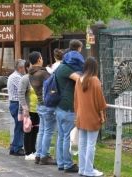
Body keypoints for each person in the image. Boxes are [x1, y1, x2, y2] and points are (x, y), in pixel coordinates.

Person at [74, 57, 107, 177]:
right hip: (92, 116)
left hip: (81, 115)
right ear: (95, 67)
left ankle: (82, 169)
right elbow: (100, 101)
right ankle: (89, 170)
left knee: (82, 144)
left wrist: (76, 114)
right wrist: (102, 115)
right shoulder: (94, 80)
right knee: (91, 145)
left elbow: (76, 99)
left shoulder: (79, 80)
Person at [55, 39, 82, 173]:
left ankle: (61, 162)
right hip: (67, 108)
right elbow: (80, 80)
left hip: (60, 107)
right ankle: (68, 164)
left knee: (61, 136)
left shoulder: (60, 67)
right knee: (67, 136)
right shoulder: (66, 69)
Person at [28, 51, 57, 165]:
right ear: (39, 59)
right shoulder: (42, 73)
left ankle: (38, 154)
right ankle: (45, 156)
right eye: (41, 58)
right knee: (48, 131)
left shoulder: (31, 73)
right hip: (47, 104)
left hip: (40, 104)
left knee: (42, 131)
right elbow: (53, 85)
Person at [18, 61, 40, 160]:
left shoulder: (37, 77)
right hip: (29, 109)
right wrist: (24, 108)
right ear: (27, 68)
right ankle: (28, 152)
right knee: (28, 130)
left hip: (37, 109)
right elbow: (21, 94)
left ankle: (33, 150)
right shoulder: (25, 79)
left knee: (35, 130)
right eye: (31, 66)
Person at [7, 59, 26, 156]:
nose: (25, 69)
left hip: (16, 103)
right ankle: (17, 147)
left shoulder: (16, 76)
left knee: (19, 126)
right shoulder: (16, 77)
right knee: (19, 126)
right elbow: (24, 88)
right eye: (24, 67)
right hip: (16, 103)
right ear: (20, 68)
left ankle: (14, 147)